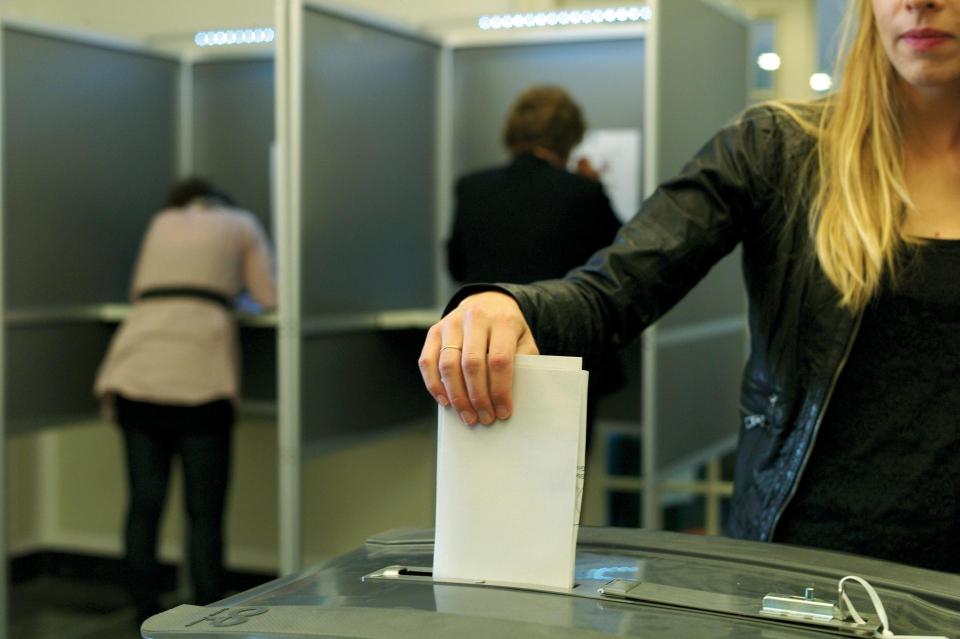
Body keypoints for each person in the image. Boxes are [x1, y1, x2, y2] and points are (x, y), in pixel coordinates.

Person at [418, 0, 960, 573]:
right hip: (803, 567)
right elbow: (615, 287)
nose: (918, 1)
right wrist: (513, 306)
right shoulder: (778, 148)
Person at [94, 178, 277, 623]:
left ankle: (142, 612)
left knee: (144, 502)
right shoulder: (240, 222)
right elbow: (270, 297)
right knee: (204, 511)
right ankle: (208, 612)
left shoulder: (161, 221)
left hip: (135, 368)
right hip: (200, 377)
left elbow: (141, 289)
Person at [447, 85, 624, 443]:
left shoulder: (471, 187)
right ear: (569, 137)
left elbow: (456, 266)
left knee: (487, 479)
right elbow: (618, 272)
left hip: (482, 358)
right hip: (564, 362)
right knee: (558, 487)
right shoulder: (583, 192)